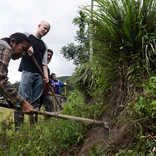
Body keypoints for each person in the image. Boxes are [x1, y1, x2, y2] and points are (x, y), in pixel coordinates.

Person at [14, 21, 51, 127]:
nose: (45, 31)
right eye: (44, 28)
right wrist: (28, 46)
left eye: (47, 30)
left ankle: (33, 128)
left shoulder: (44, 45)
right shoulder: (27, 36)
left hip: (39, 75)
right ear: (39, 26)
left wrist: (46, 76)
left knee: (35, 103)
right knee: (21, 99)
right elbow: (17, 41)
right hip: (27, 72)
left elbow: (44, 63)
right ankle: (18, 128)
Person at [0, 32, 34, 113]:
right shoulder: (6, 48)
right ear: (12, 41)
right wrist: (23, 103)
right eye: (23, 48)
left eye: (25, 52)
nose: (23, 54)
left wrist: (12, 101)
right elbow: (1, 79)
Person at [39, 49, 54, 119]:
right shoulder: (39, 66)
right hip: (37, 91)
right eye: (47, 55)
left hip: (45, 92)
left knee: (49, 105)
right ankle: (32, 126)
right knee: (35, 109)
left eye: (50, 56)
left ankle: (47, 124)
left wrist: (50, 85)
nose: (49, 57)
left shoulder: (47, 69)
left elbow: (47, 80)